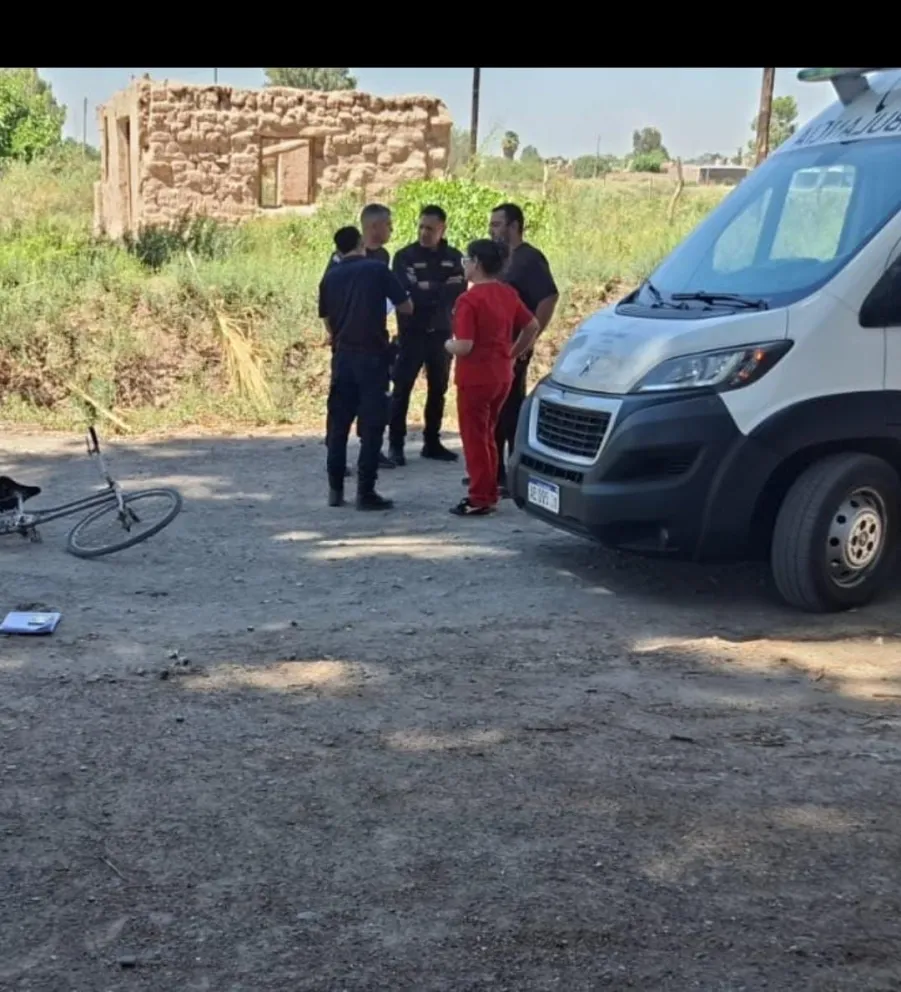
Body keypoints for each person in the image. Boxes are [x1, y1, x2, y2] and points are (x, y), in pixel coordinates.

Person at [467, 202, 558, 497]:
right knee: (492, 412)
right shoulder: (501, 259)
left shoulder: (529, 259)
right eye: (491, 224)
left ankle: (510, 472)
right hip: (491, 351)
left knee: (510, 410)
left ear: (514, 226)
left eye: (497, 224)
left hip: (514, 347)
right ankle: (492, 473)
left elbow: (548, 298)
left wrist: (526, 343)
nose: (491, 230)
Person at [319, 226, 413, 511]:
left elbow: (326, 318)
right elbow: (406, 306)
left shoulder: (330, 277)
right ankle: (366, 491)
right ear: (361, 244)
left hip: (343, 357)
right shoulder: (377, 269)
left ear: (337, 250)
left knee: (339, 426)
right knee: (372, 427)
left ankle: (335, 490)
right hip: (373, 358)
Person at [445, 239, 539, 516]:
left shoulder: (468, 299)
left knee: (475, 437)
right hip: (501, 374)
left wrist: (446, 344)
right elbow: (531, 326)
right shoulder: (507, 293)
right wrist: (512, 353)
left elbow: (464, 345)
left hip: (475, 377)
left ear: (477, 263)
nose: (464, 265)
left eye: (467, 260)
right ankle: (488, 489)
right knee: (488, 434)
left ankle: (479, 497)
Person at [388, 205, 466, 465]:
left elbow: (455, 291)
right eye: (421, 226)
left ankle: (431, 442)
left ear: (443, 229)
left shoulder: (455, 257)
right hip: (412, 333)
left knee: (438, 389)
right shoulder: (404, 256)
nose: (424, 232)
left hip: (441, 334)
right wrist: (435, 289)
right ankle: (395, 445)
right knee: (402, 389)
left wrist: (425, 288)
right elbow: (405, 290)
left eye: (430, 228)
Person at [322, 203, 396, 472]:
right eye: (388, 224)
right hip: (347, 342)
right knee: (341, 402)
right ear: (373, 227)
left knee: (375, 399)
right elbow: (328, 299)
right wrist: (335, 334)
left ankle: (371, 450)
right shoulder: (341, 257)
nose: (392, 229)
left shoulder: (383, 256)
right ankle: (335, 454)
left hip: (375, 340)